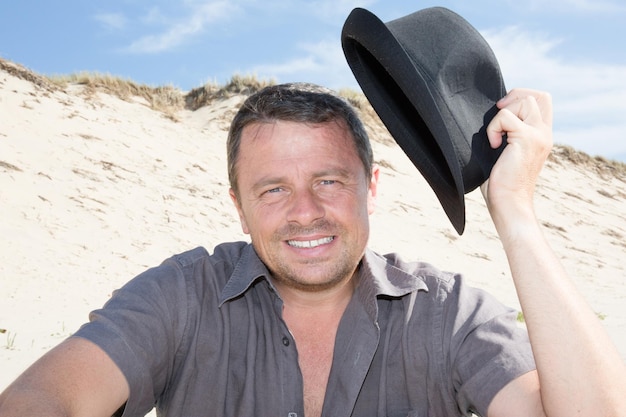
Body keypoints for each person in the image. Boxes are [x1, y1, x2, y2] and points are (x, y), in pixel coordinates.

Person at [0, 83, 625, 417]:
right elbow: (43, 400)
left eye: (328, 180)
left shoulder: (448, 314)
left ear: (370, 188)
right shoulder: (182, 295)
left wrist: (514, 209)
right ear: (238, 206)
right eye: (273, 189)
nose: (306, 212)